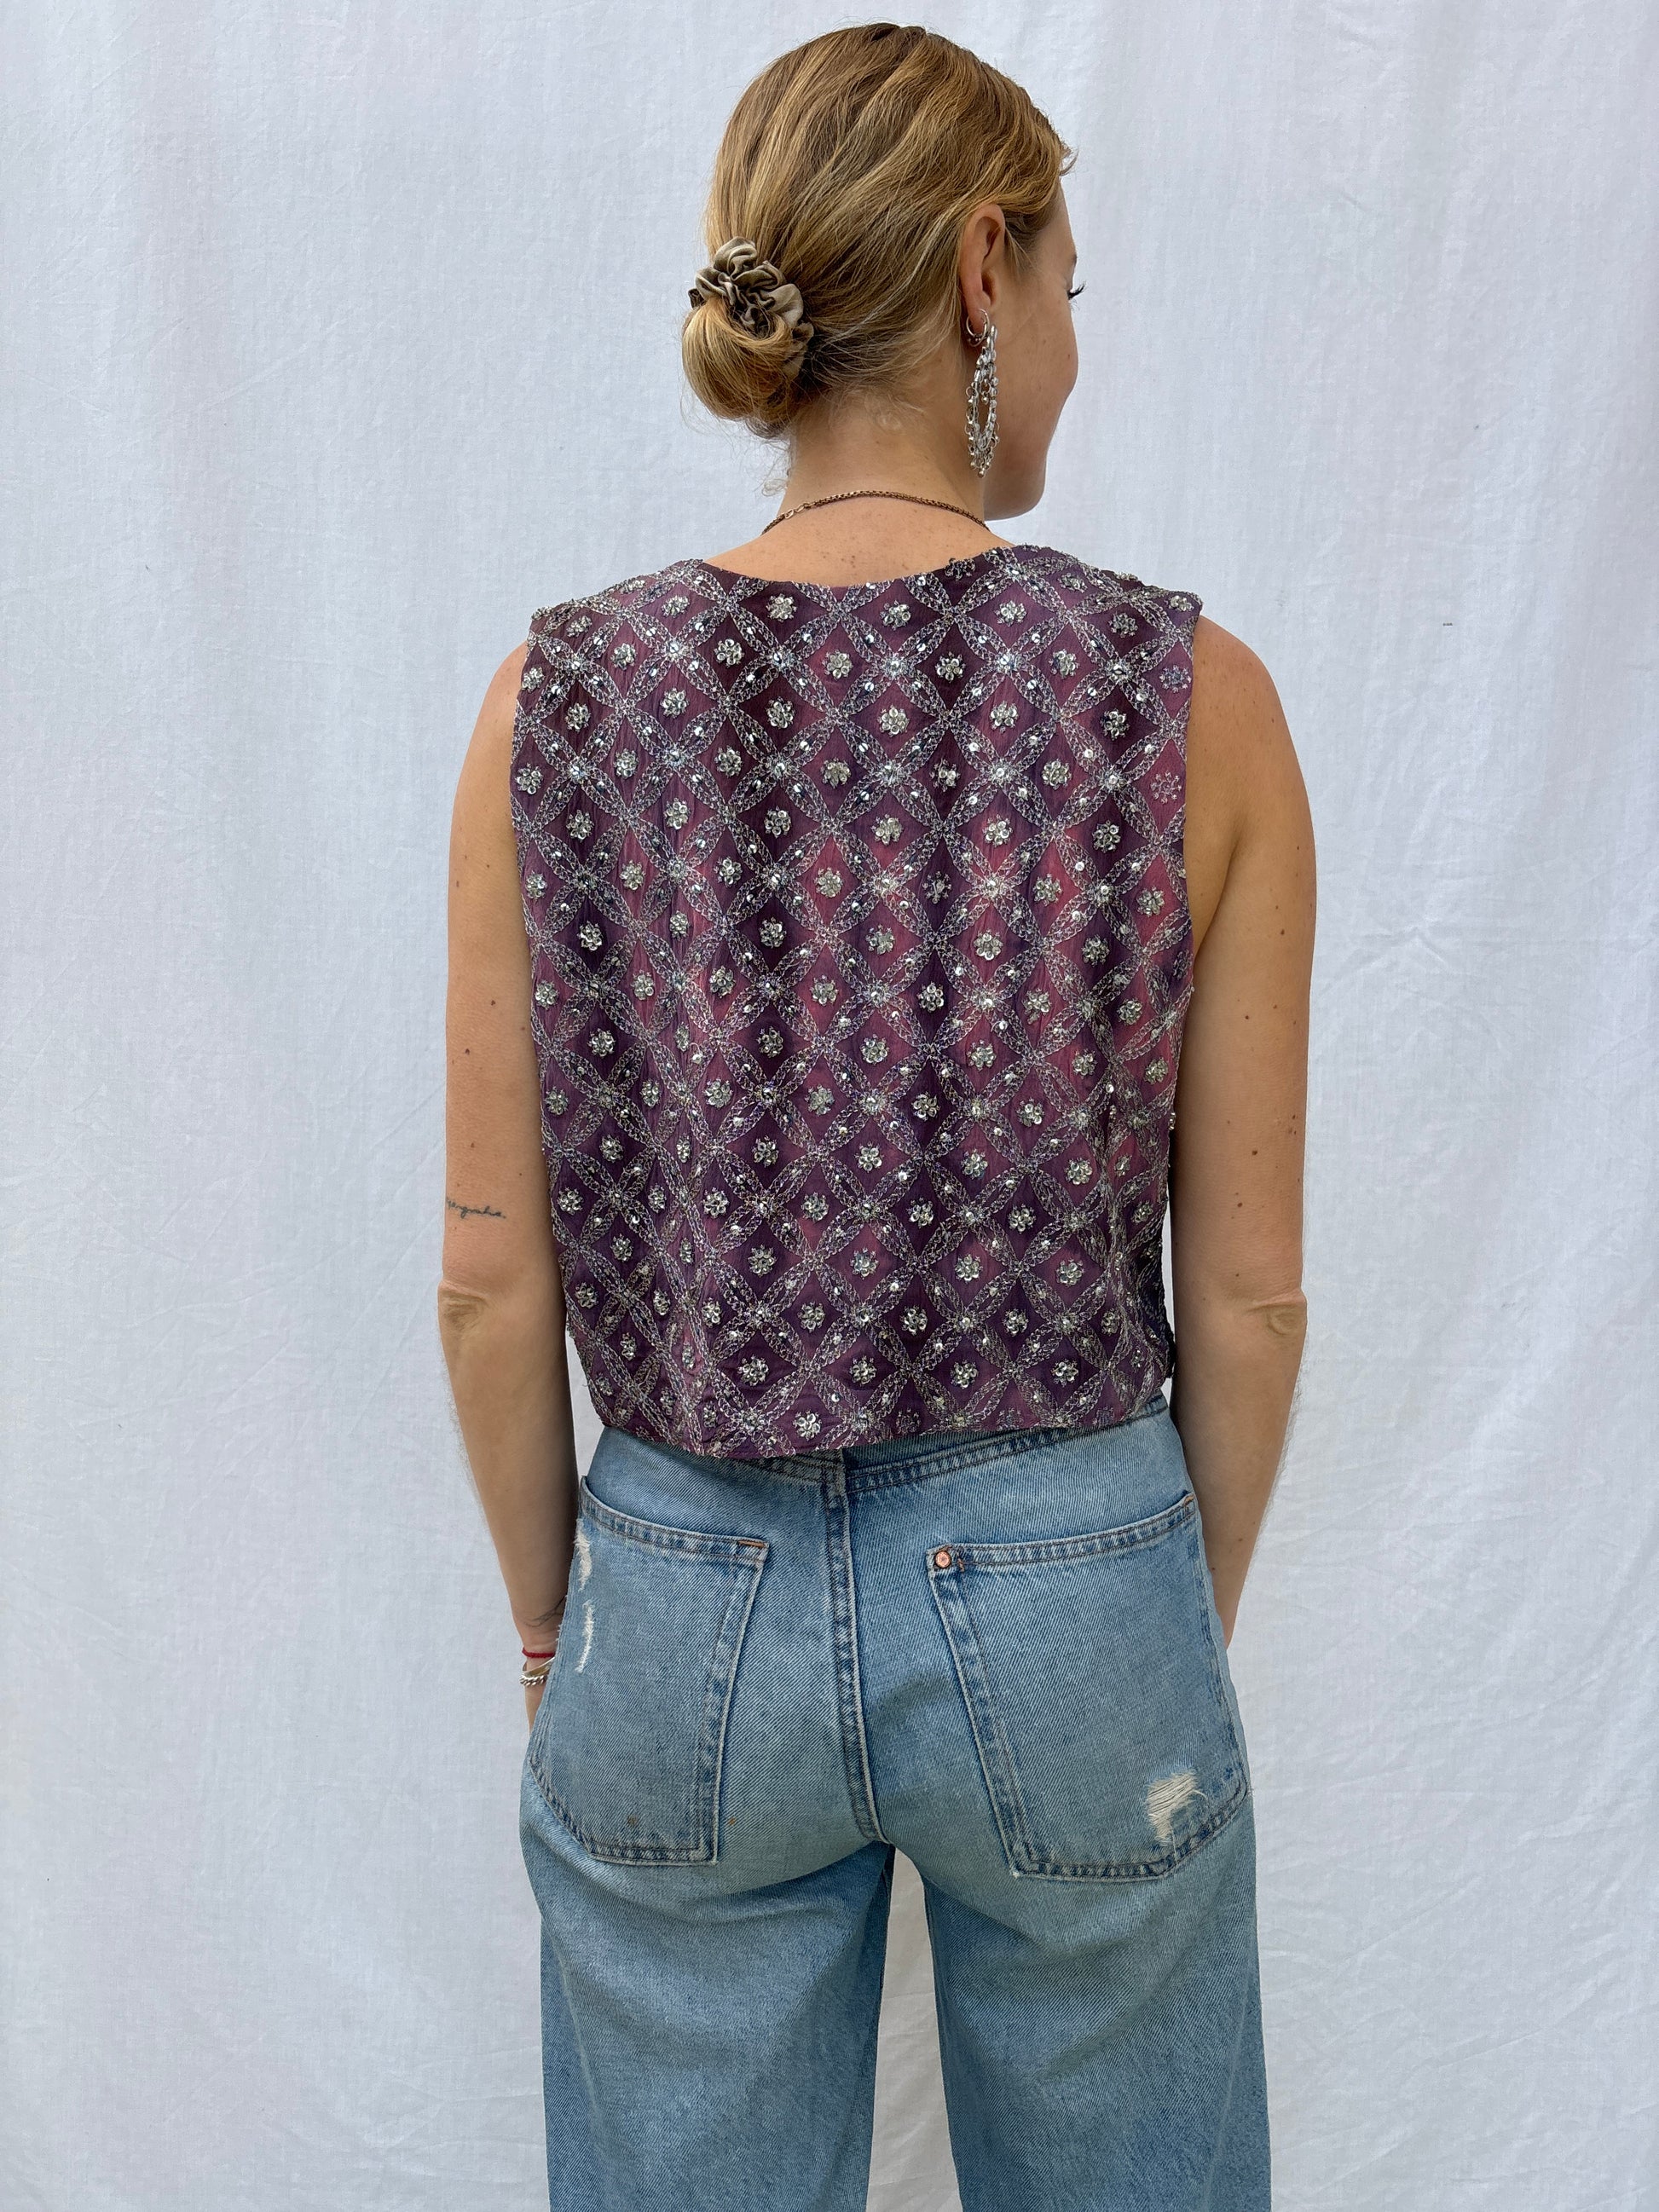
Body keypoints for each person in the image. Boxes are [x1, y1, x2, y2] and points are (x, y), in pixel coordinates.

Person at [438, 23, 1314, 2212]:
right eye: (1071, 292)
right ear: (984, 273)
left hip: (678, 1586)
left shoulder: (554, 700)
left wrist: (559, 1624)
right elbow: (1248, 1294)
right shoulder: (1193, 699)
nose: (1075, 346)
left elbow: (484, 1279)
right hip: (1075, 1561)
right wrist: (1138, 1604)